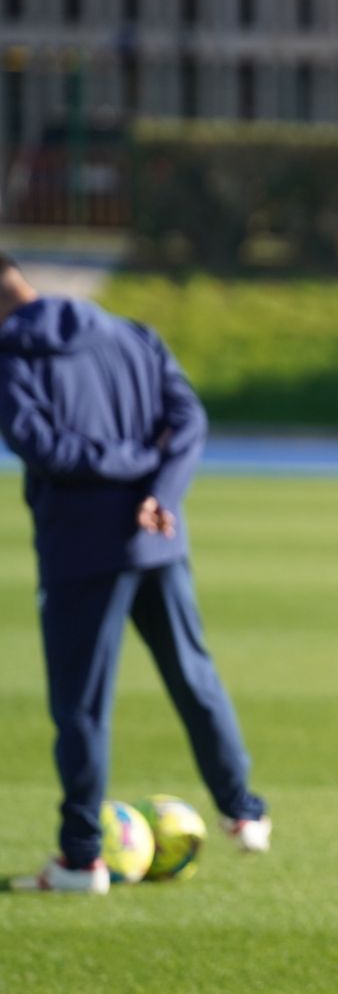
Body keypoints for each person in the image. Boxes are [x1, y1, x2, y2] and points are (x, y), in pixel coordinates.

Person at [0, 252, 271, 896]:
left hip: (80, 549)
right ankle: (245, 811)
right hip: (156, 538)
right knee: (193, 674)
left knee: (82, 707)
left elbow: (45, 449)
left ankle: (81, 858)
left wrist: (130, 470)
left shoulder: (12, 357)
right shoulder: (131, 334)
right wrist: (161, 492)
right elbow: (188, 421)